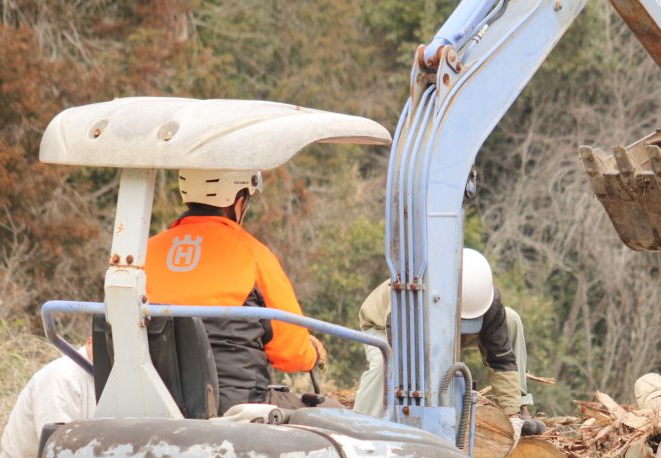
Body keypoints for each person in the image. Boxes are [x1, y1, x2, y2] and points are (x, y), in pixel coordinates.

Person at [146, 169, 325, 413]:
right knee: (338, 414)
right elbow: (291, 354)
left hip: (157, 404)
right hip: (237, 407)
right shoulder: (254, 256)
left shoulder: (142, 254)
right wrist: (312, 352)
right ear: (238, 201)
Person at [353, 248, 544, 435]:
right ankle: (362, 426)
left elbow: (501, 359)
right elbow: (406, 355)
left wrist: (511, 414)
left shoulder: (488, 300)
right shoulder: (412, 295)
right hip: (384, 328)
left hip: (446, 325)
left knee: (511, 320)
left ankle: (518, 408)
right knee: (386, 363)